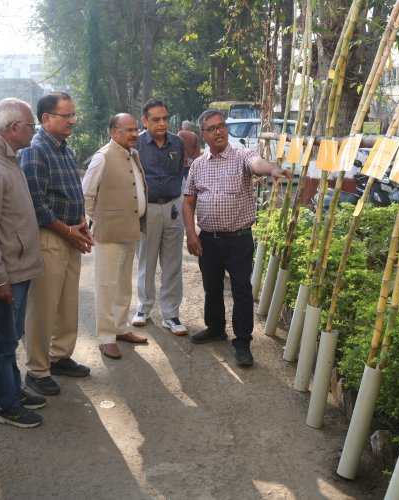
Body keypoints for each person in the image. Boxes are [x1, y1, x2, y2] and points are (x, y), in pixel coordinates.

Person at [183, 109, 291, 367]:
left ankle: (242, 341)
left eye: (222, 126)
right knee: (212, 287)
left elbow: (256, 163)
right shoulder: (198, 165)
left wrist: (272, 170)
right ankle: (216, 327)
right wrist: (191, 235)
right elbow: (188, 203)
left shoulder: (241, 155)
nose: (219, 131)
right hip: (209, 239)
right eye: (212, 128)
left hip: (239, 239)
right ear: (203, 134)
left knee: (242, 289)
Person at [0, 98, 47, 428]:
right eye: (32, 125)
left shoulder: (9, 159)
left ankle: (13, 390)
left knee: (12, 336)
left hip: (18, 269)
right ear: (14, 128)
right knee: (2, 342)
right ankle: (6, 406)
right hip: (6, 274)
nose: (35, 131)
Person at [21, 92, 94, 396]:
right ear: (46, 118)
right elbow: (36, 203)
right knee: (43, 306)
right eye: (67, 116)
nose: (72, 121)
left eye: (73, 115)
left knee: (67, 303)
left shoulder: (65, 150)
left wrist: (82, 226)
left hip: (70, 234)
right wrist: (67, 230)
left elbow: (72, 192)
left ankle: (60, 356)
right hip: (50, 237)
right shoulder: (35, 151)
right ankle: (37, 369)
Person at [82, 113, 149, 360]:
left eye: (135, 130)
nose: (134, 134)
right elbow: (87, 195)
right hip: (109, 233)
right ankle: (106, 338)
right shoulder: (102, 157)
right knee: (106, 286)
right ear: (114, 132)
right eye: (128, 130)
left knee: (123, 284)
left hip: (130, 229)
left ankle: (121, 328)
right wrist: (102, 219)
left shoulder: (133, 153)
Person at [132, 98, 187, 335]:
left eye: (165, 118)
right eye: (156, 119)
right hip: (148, 210)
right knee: (146, 259)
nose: (162, 123)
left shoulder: (177, 143)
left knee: (172, 262)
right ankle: (143, 308)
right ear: (145, 121)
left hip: (173, 207)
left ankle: (171, 314)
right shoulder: (136, 145)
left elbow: (180, 174)